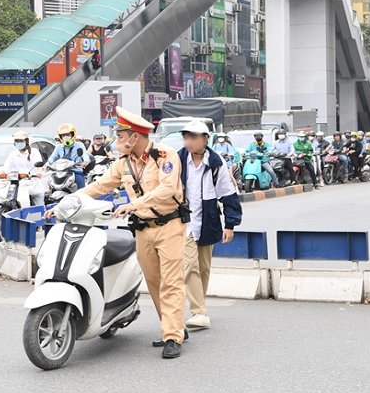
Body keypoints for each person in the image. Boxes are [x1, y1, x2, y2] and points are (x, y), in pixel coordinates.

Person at [67, 108, 188, 359]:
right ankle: (174, 326)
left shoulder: (166, 155)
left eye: (121, 135)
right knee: (154, 283)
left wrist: (134, 204)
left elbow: (167, 189)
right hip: (143, 230)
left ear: (135, 136)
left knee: (171, 282)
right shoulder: (122, 163)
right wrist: (66, 202)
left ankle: (172, 336)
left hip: (170, 226)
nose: (117, 140)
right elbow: (99, 186)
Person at [178, 121, 241, 329]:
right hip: (183, 222)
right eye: (186, 137)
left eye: (193, 137)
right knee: (189, 265)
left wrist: (230, 224)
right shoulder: (177, 160)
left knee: (204, 268)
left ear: (206, 138)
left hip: (208, 221)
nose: (189, 142)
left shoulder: (216, 162)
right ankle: (199, 312)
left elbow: (227, 193)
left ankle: (199, 307)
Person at [0, 131, 44, 205]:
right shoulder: (13, 154)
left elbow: (39, 165)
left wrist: (40, 172)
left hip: (34, 182)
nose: (19, 143)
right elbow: (6, 167)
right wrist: (0, 173)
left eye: (21, 141)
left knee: (39, 205)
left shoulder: (34, 152)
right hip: (20, 184)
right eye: (17, 141)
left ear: (26, 141)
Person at [47, 123, 89, 189]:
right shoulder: (59, 147)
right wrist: (47, 164)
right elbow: (53, 157)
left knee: (81, 191)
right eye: (63, 135)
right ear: (60, 137)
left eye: (68, 135)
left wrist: (85, 162)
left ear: (73, 134)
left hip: (76, 171)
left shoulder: (80, 145)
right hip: (61, 172)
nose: (66, 137)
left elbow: (85, 155)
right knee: (51, 187)